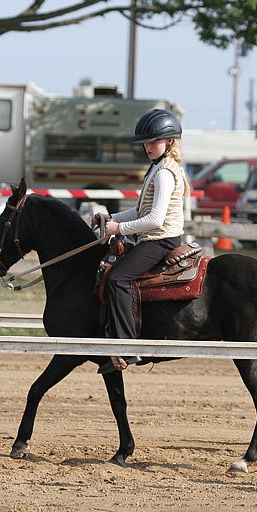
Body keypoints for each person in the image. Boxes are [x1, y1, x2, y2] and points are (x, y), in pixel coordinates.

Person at [95, 108, 189, 374]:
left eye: (153, 142)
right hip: (156, 238)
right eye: (145, 143)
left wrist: (118, 228)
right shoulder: (160, 167)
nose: (148, 147)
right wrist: (110, 218)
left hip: (161, 240)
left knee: (118, 279)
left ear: (169, 141)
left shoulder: (163, 173)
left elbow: (155, 219)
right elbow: (140, 211)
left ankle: (128, 346)